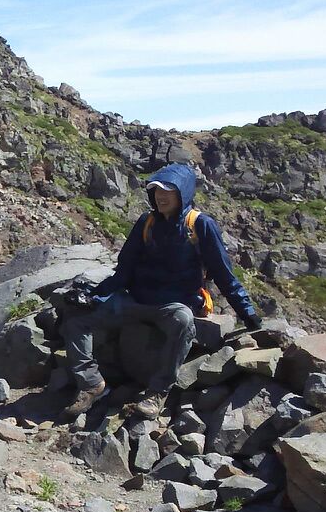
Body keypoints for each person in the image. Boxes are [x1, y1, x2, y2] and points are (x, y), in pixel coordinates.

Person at [61, 147, 262, 421]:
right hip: (136, 299)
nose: (161, 195)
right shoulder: (147, 222)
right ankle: (91, 384)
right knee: (76, 322)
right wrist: (94, 296)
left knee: (183, 321)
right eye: (156, 190)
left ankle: (157, 392)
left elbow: (224, 275)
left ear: (184, 193)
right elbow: (124, 271)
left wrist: (249, 315)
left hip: (173, 304)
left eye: (168, 190)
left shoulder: (200, 225)